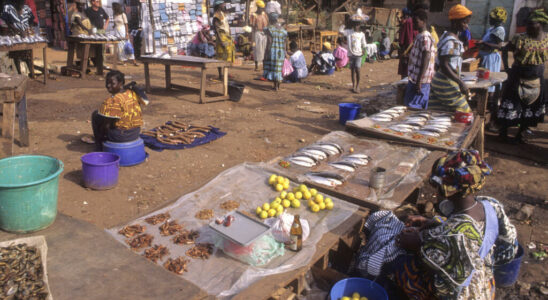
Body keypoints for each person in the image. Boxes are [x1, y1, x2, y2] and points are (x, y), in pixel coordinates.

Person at [357, 150, 518, 300]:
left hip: (462, 295)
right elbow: (508, 251)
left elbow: (444, 287)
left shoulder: (453, 234)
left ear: (448, 191)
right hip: (486, 286)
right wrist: (433, 223)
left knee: (396, 261)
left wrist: (418, 246)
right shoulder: (491, 206)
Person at [497, 9, 548, 144]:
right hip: (518, 76)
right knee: (512, 105)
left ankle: (520, 133)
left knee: (530, 108)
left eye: (533, 23)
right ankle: (503, 132)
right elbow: (505, 49)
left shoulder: (547, 39)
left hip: (537, 78)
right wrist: (507, 68)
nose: (529, 26)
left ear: (541, 24)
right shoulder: (520, 38)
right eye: (528, 24)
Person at [429, 4, 473, 113]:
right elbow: (444, 65)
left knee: (438, 114)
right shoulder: (451, 41)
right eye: (464, 22)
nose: (466, 26)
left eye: (467, 23)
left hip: (439, 80)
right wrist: (460, 82)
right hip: (445, 82)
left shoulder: (446, 36)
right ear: (454, 22)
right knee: (465, 112)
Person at [92, 70, 147, 150]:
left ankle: (99, 146)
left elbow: (107, 125)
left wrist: (100, 134)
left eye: (112, 83)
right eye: (107, 83)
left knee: (95, 115)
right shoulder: (132, 93)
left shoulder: (113, 101)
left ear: (121, 83)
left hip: (122, 136)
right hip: (135, 132)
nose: (108, 85)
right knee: (103, 115)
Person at [478, 7, 507, 130]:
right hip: (486, 57)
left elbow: (499, 46)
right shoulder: (492, 29)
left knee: (489, 86)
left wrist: (485, 44)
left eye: (492, 19)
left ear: (498, 20)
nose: (490, 20)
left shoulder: (499, 29)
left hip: (491, 58)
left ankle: (490, 117)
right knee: (483, 82)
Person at [403, 8, 436, 110]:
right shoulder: (419, 36)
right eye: (413, 22)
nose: (413, 24)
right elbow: (420, 56)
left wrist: (419, 81)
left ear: (424, 21)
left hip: (420, 80)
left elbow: (426, 58)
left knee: (415, 109)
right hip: (414, 79)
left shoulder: (425, 37)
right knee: (409, 106)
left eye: (416, 22)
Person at [1, 0, 35, 75]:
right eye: (20, 4)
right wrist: (16, 30)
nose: (21, 5)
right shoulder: (8, 8)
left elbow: (31, 20)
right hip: (14, 36)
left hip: (25, 36)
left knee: (27, 55)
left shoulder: (26, 9)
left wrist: (28, 29)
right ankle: (19, 73)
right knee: (16, 56)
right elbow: (5, 21)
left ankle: (32, 72)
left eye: (22, 4)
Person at [263, 13, 287, 90]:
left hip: (272, 51)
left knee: (273, 68)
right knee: (278, 68)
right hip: (281, 52)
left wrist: (266, 53)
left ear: (270, 20)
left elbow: (269, 42)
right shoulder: (283, 30)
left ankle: (275, 85)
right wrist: (285, 52)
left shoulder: (270, 29)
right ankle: (277, 86)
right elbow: (285, 43)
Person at [213, 0, 235, 79]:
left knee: (227, 56)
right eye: (222, 4)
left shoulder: (223, 14)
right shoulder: (216, 16)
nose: (224, 5)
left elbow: (226, 25)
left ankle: (226, 73)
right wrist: (221, 40)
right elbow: (216, 29)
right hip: (221, 37)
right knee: (220, 56)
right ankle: (220, 75)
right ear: (219, 5)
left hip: (227, 37)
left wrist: (230, 34)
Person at [346, 14, 367, 93]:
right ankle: (353, 85)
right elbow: (342, 31)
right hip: (351, 54)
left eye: (357, 25)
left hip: (359, 54)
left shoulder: (361, 34)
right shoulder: (350, 33)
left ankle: (358, 85)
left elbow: (364, 43)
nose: (356, 26)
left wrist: (364, 49)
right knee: (352, 70)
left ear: (359, 26)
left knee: (357, 69)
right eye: (355, 25)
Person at [86, 0, 109, 73]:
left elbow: (107, 18)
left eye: (99, 1)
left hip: (101, 32)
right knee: (90, 50)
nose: (98, 2)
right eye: (97, 1)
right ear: (92, 2)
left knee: (100, 50)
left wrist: (105, 27)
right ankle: (90, 65)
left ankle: (100, 68)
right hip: (92, 33)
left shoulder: (101, 10)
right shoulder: (88, 11)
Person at [397, 7, 416, 79]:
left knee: (405, 70)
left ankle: (404, 87)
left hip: (406, 49)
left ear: (405, 15)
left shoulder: (406, 22)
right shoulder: (414, 22)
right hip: (414, 49)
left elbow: (402, 40)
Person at [250, 0, 268, 71]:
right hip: (257, 33)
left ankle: (264, 65)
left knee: (264, 48)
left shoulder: (264, 14)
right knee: (257, 49)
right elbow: (252, 25)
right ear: (257, 7)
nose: (262, 9)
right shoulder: (254, 15)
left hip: (264, 33)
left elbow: (267, 23)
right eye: (261, 8)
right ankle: (256, 65)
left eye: (263, 8)